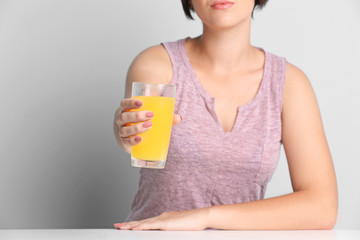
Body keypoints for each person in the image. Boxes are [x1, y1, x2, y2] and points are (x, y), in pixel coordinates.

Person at [113, 0, 338, 230]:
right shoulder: (158, 65)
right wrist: (125, 135)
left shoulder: (289, 84)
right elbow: (137, 139)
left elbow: (322, 206)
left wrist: (206, 217)